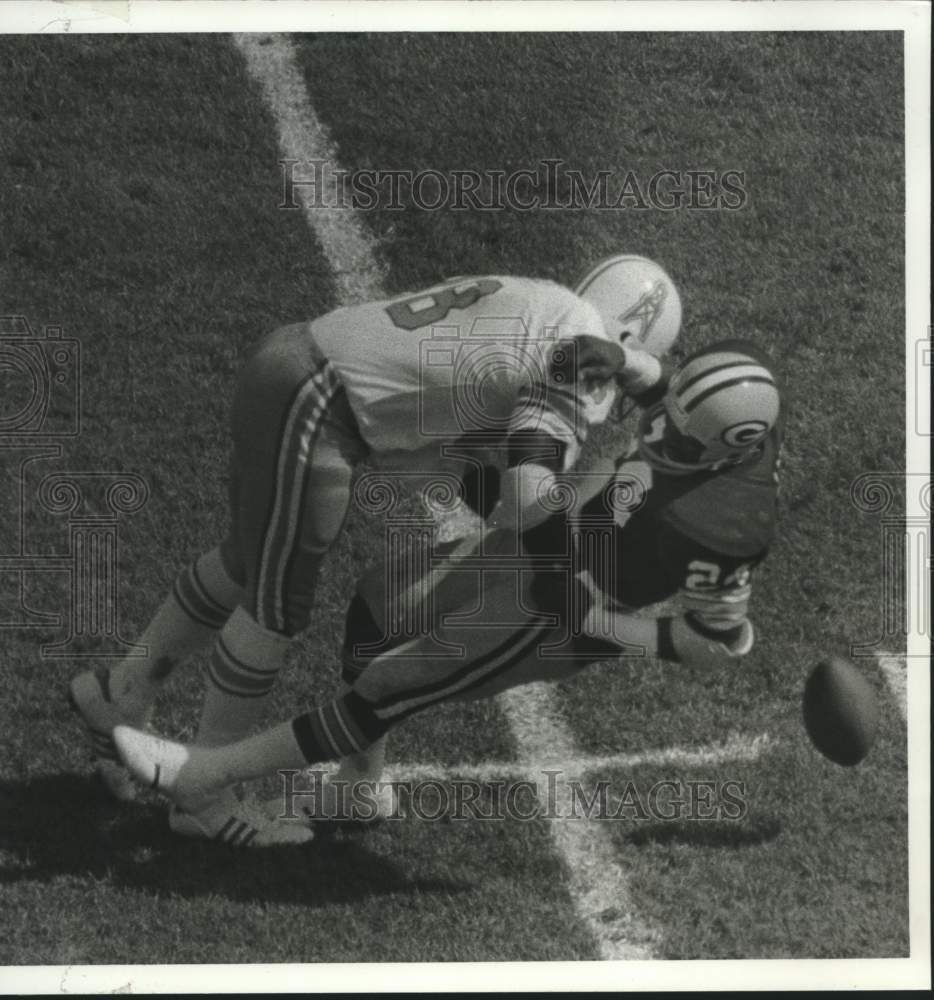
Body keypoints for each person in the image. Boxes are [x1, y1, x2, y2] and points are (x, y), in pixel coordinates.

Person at [69, 256, 682, 846]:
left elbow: (472, 451)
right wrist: (557, 579)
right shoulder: (580, 355)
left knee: (243, 562)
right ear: (627, 333)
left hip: (292, 360)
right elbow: (526, 487)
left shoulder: (549, 303)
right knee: (276, 604)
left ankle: (121, 694)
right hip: (315, 402)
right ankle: (200, 796)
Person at [112, 339, 782, 839]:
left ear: (729, 451)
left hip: (567, 606)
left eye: (681, 441)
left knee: (390, 684)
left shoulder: (728, 524)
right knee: (380, 604)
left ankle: (204, 776)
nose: (658, 432)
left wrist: (595, 622)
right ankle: (360, 788)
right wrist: (628, 361)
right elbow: (667, 390)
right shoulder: (717, 401)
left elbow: (715, 644)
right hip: (556, 534)